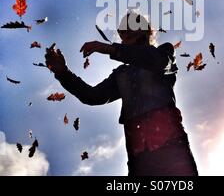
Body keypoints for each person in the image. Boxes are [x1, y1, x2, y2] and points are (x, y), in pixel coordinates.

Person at [45, 12, 198, 176]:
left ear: (144, 31)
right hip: (139, 159)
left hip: (172, 150)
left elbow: (157, 62)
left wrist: (111, 49)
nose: (125, 34)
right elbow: (93, 96)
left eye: (130, 27)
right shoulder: (121, 73)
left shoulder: (164, 52)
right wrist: (62, 73)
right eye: (122, 31)